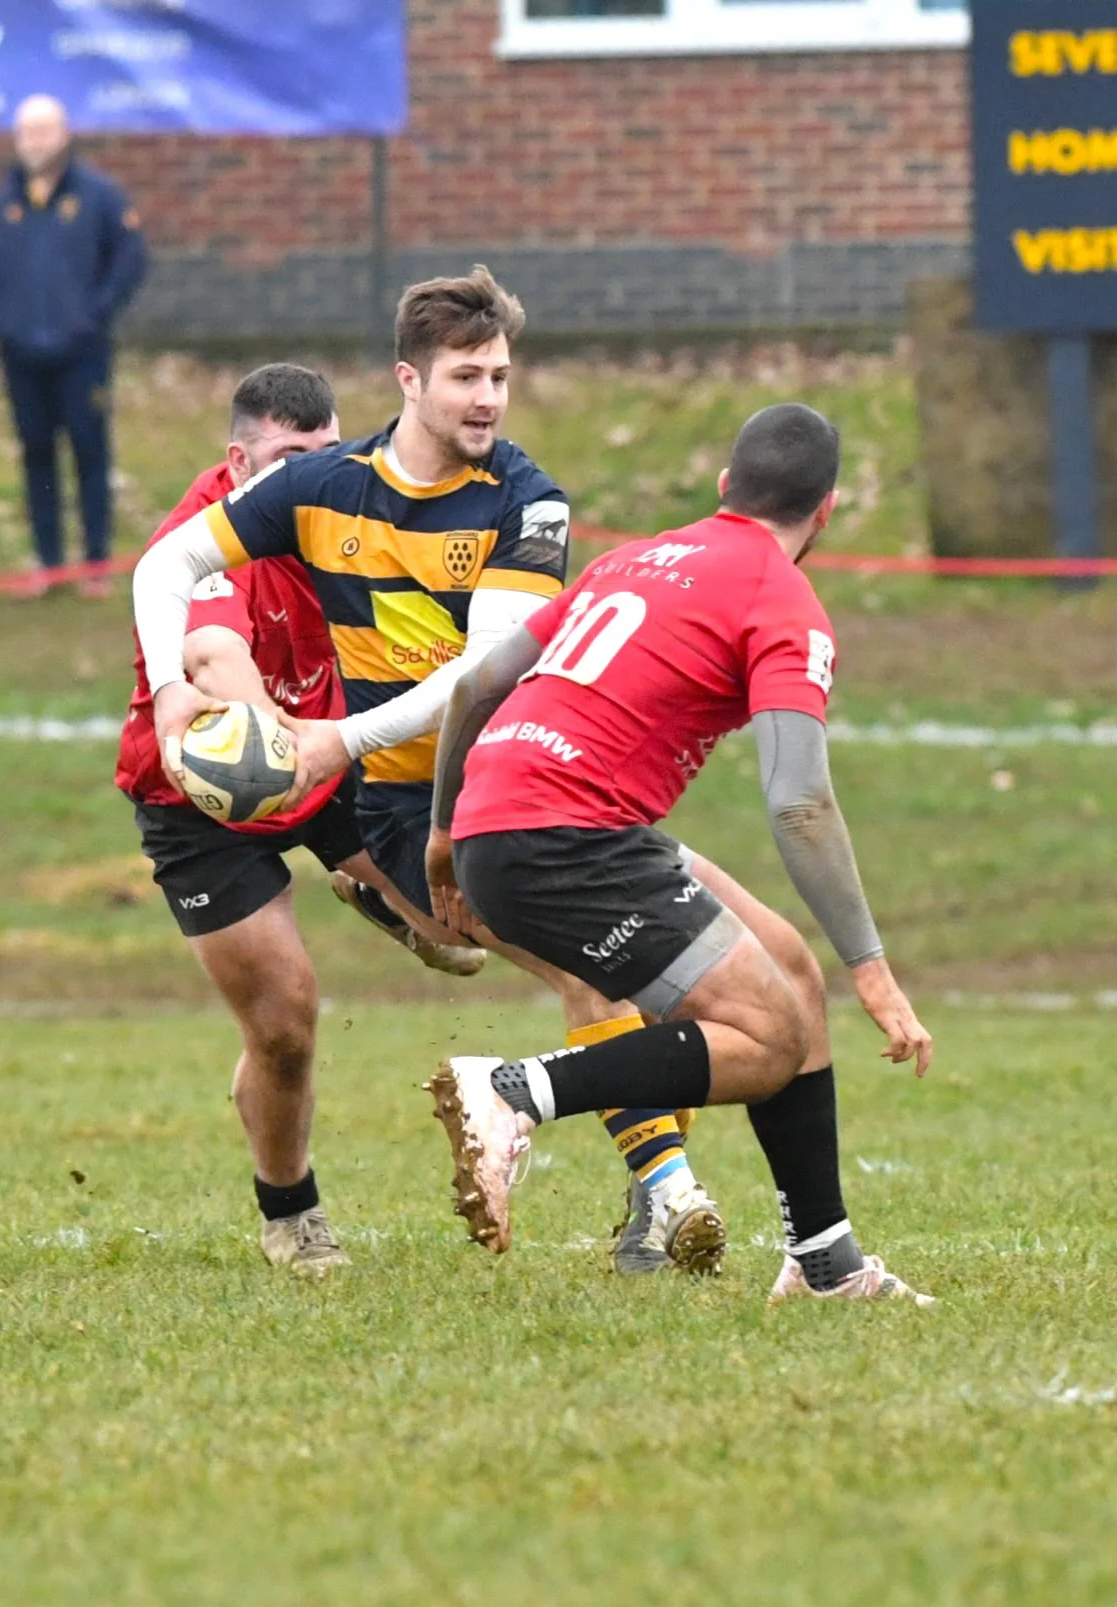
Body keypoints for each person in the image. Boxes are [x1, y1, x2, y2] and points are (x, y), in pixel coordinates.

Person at [129, 269, 729, 1277]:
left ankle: (648, 1194)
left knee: (642, 972)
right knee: (562, 971)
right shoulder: (317, 487)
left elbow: (477, 676)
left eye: (500, 375)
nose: (489, 397)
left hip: (491, 777)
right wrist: (170, 693)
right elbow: (169, 574)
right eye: (466, 376)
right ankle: (662, 1196)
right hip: (377, 799)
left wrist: (334, 741)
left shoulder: (528, 503)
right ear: (410, 380)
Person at [422, 403, 938, 1304]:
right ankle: (513, 1090)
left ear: (723, 488)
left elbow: (475, 685)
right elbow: (801, 803)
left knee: (787, 969)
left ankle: (825, 1265)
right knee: (769, 1042)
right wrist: (876, 968)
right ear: (827, 512)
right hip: (566, 840)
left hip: (502, 821)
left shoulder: (634, 556)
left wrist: (438, 837)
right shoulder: (783, 602)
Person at [117, 363, 486, 1276]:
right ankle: (291, 1215)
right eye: (286, 460)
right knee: (284, 1021)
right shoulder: (202, 535)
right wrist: (278, 739)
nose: (305, 478)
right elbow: (213, 650)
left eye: (322, 457)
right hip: (204, 799)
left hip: (329, 762)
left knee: (464, 933)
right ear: (237, 462)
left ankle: (376, 892)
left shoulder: (347, 510)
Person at [0, 94, 150, 596]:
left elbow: (130, 259)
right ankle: (48, 563)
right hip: (22, 355)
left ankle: (94, 562)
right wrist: (1, 325)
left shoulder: (98, 196)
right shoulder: (3, 202)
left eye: (44, 132)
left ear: (65, 134)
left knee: (89, 451)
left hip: (82, 353)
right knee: (36, 454)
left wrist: (93, 315)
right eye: (27, 133)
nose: (35, 143)